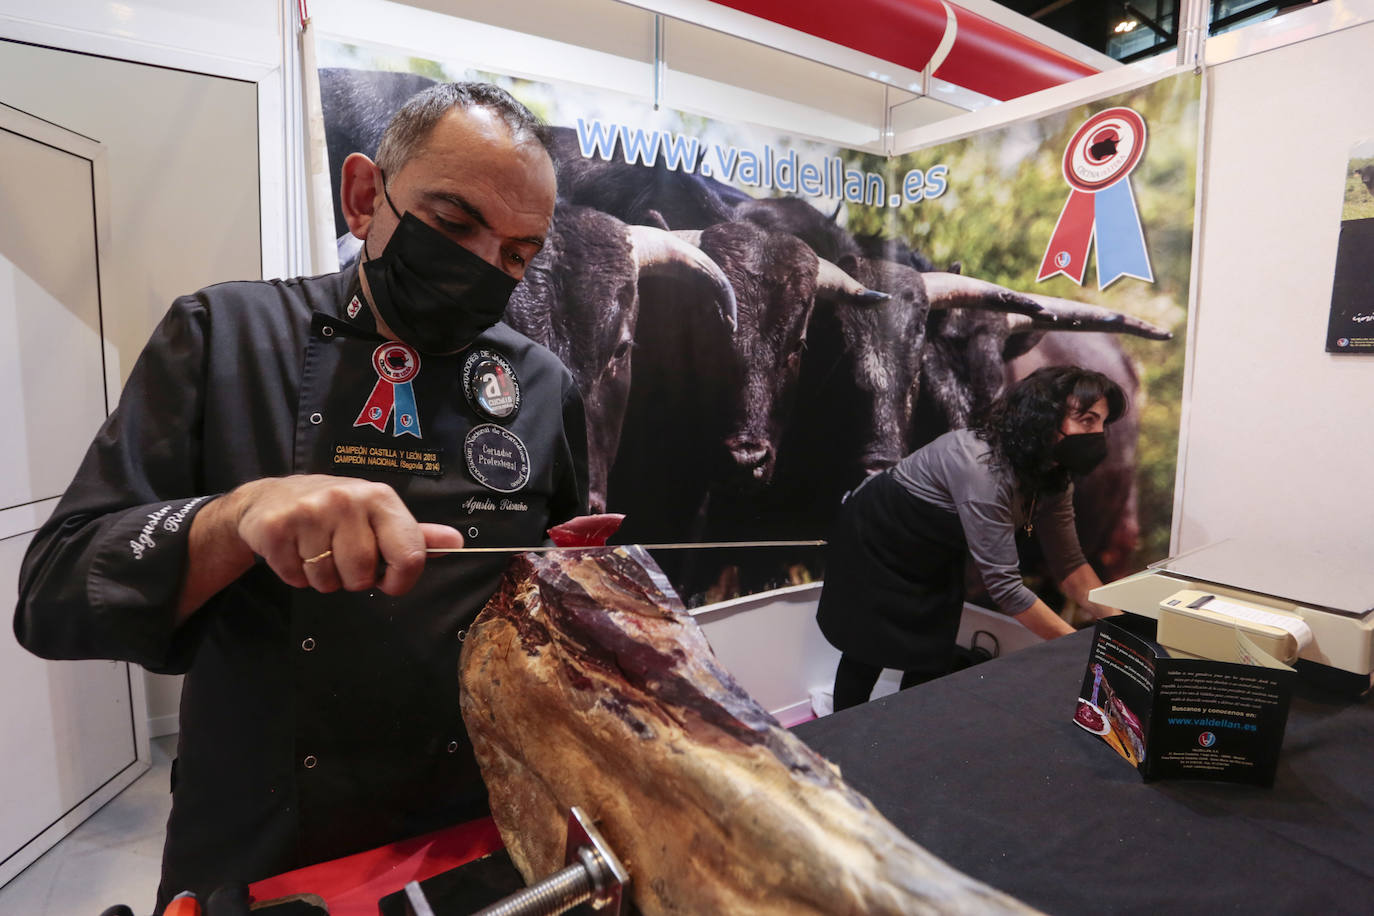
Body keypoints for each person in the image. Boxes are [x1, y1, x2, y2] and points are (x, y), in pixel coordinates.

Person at [14, 82, 588, 910]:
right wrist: (235, 517)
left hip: (469, 830)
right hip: (266, 836)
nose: (482, 267)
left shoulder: (539, 383)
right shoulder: (221, 336)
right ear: (364, 197)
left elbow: (558, 588)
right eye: (455, 224)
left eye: (517, 254)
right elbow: (56, 590)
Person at [816, 365, 1123, 711]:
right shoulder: (983, 469)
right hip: (879, 535)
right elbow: (1006, 589)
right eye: (1086, 420)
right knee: (866, 646)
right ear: (1044, 417)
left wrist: (1122, 632)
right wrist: (1083, 650)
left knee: (930, 648)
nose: (1097, 434)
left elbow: (1070, 566)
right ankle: (840, 730)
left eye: (1101, 423)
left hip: (935, 547)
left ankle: (903, 727)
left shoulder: (1054, 475)